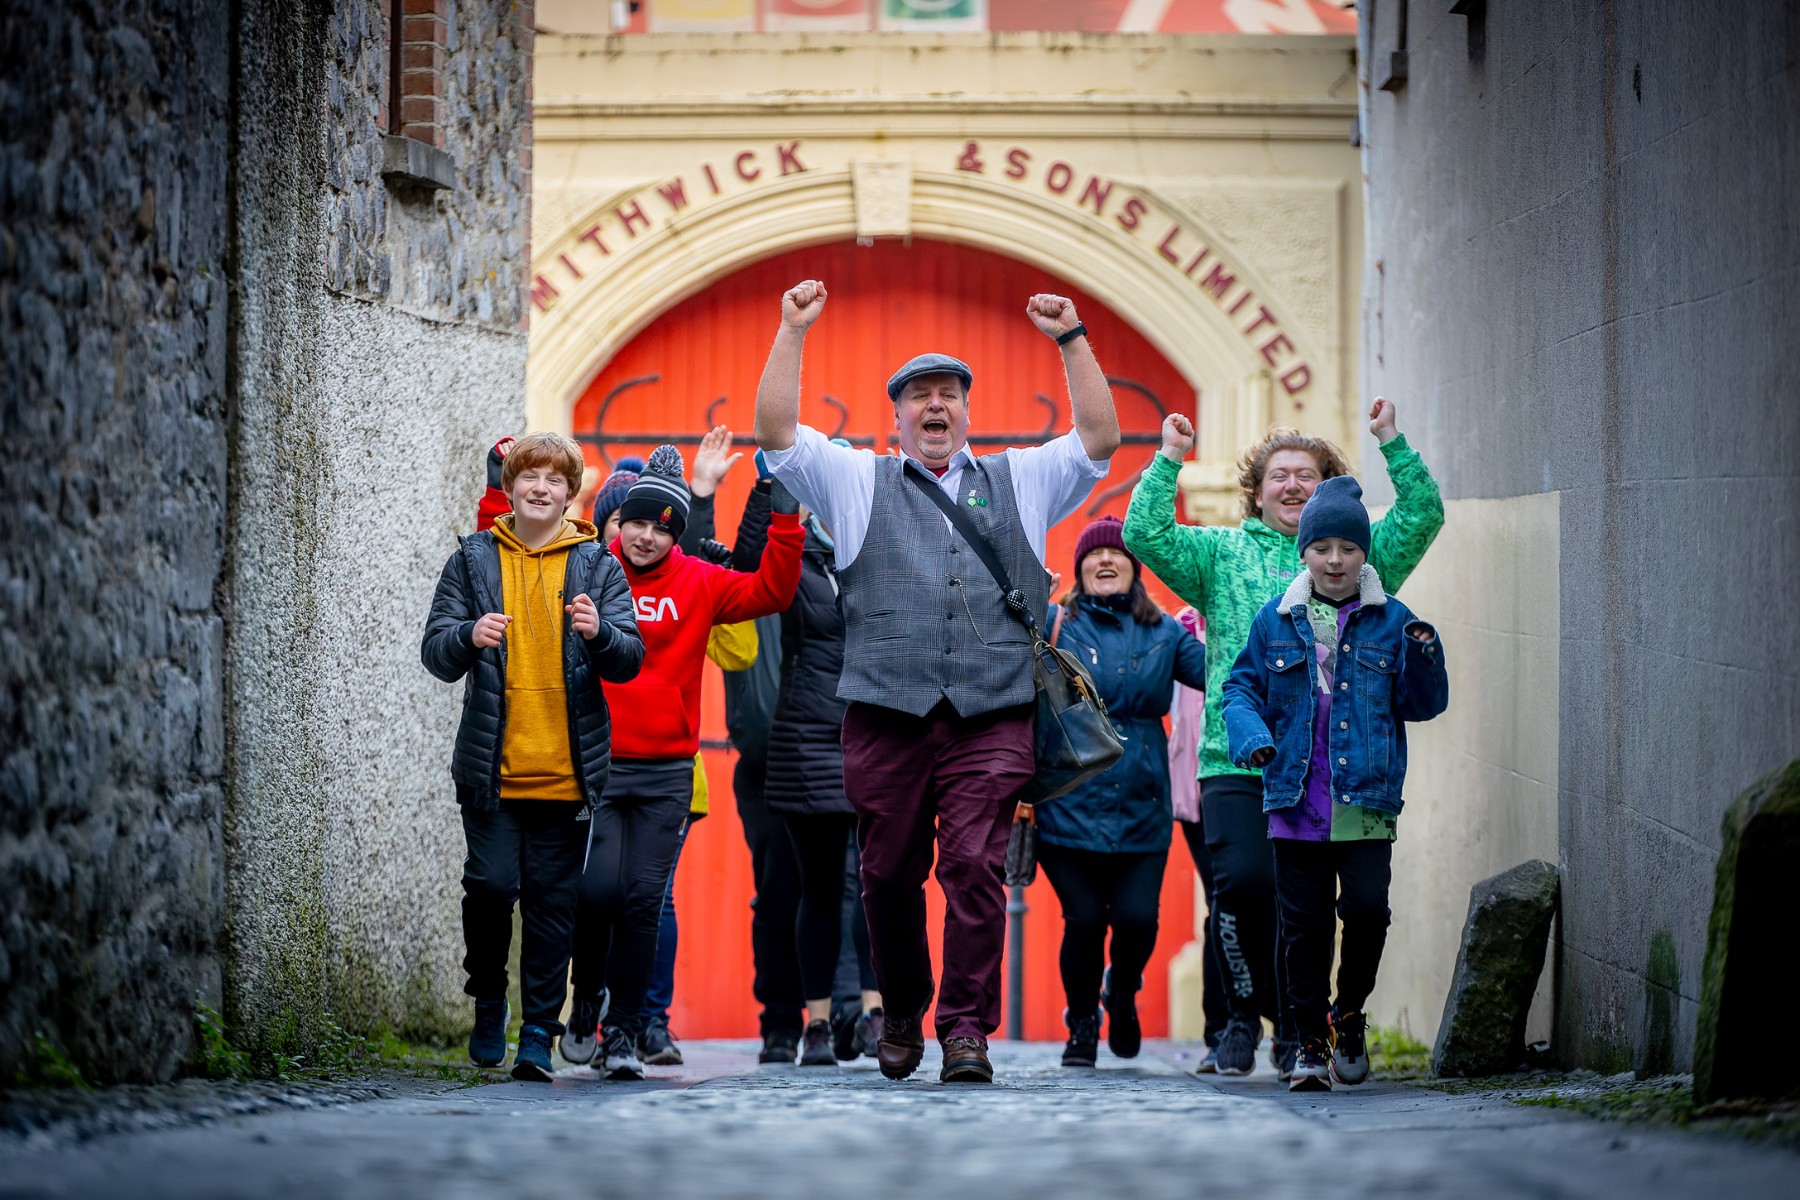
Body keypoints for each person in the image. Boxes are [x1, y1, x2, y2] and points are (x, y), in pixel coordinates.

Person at [756, 278, 1120, 1083]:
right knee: (885, 875)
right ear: (896, 417)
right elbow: (776, 432)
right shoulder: (855, 482)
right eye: (919, 396)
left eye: (948, 395)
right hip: (885, 715)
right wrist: (792, 329)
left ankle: (964, 1031)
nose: (935, 406)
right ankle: (906, 1012)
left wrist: (1072, 340)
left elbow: (1099, 439)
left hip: (992, 714)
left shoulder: (1019, 479)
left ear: (966, 412)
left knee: (971, 869)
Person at [1123, 402, 1443, 1078]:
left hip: (1334, 764)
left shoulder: (1356, 552)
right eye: (1280, 475)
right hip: (1238, 753)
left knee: (1326, 905)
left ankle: (1306, 1028)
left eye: (1309, 475)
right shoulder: (1220, 554)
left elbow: (1422, 515)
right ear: (1258, 488)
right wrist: (1168, 459)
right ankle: (1244, 1016)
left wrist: (1392, 440)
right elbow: (1144, 532)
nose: (1293, 485)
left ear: (1330, 489)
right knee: (1243, 885)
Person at [566, 443, 804, 1080]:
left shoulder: (697, 581)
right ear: (618, 525)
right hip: (597, 763)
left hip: (668, 768)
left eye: (661, 528)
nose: (645, 537)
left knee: (644, 900)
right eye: (636, 523)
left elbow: (773, 591)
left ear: (677, 535)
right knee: (594, 893)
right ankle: (586, 997)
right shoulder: (586, 571)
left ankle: (623, 1032)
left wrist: (784, 519)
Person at [421, 431, 645, 1080]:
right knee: (490, 888)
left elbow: (629, 657)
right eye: (529, 476)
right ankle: (489, 999)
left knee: (552, 906)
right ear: (511, 486)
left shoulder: (597, 566)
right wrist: (468, 634)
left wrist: (600, 634)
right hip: (493, 766)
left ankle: (538, 1036)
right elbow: (435, 651)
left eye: (554, 479)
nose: (540, 488)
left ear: (570, 494)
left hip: (567, 773)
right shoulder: (472, 559)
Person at [1221, 476, 1448, 1091]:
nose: (1335, 560)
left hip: (1367, 797)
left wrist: (1425, 656)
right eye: (1323, 548)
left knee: (1369, 911)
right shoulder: (1276, 620)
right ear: (1306, 552)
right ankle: (1309, 1043)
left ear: (1363, 553)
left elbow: (1423, 706)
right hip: (1295, 799)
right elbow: (1240, 688)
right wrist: (1250, 738)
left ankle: (1349, 1016)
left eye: (1348, 548)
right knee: (1306, 927)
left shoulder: (1392, 619)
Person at [1035, 517, 1207, 1068]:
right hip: (1069, 800)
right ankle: (1082, 1023)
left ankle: (1122, 991)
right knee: (1083, 920)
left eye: (1117, 554)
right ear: (1081, 569)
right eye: (1095, 555)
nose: (1106, 561)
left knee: (1137, 920)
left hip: (1143, 803)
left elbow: (1217, 672)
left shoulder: (1165, 633)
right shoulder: (1056, 623)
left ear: (1134, 567)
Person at [754, 465, 884, 1068]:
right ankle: (817, 1025)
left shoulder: (886, 547)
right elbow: (747, 571)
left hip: (880, 734)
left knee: (880, 885)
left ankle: (878, 1013)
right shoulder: (793, 555)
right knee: (821, 889)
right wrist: (765, 497)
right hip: (806, 738)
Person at [1168, 605, 1230, 1072]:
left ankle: (1279, 1018)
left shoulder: (1260, 610)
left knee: (1261, 901)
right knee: (1222, 902)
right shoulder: (1180, 627)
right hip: (1194, 789)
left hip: (1252, 782)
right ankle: (1221, 1028)